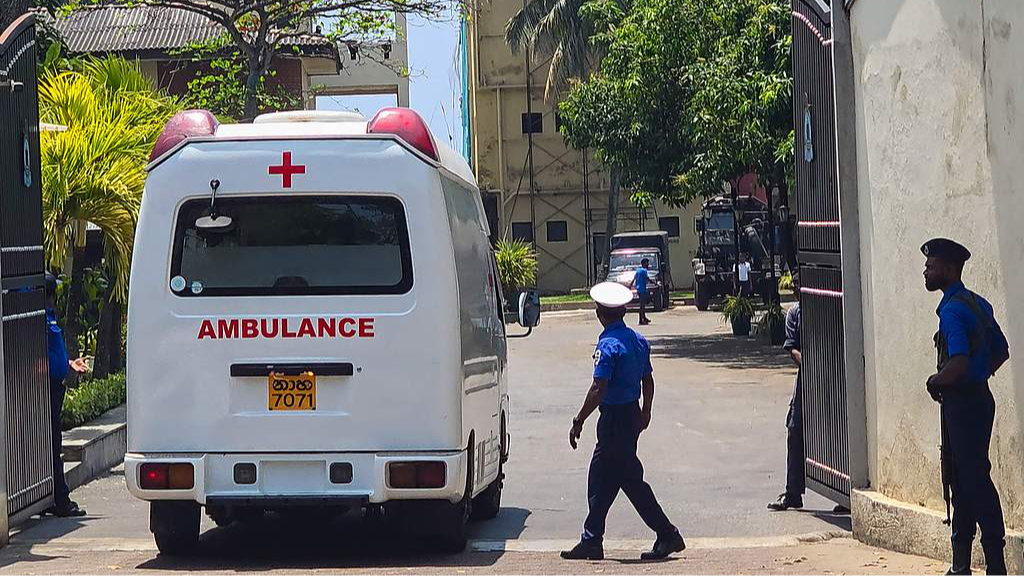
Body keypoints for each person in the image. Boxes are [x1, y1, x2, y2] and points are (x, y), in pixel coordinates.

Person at [561, 282, 685, 562]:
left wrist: (578, 419)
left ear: (598, 313)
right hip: (630, 415)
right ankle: (592, 538)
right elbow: (648, 379)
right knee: (603, 477)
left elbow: (598, 388)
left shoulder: (608, 345)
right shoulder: (638, 341)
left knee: (626, 480)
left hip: (614, 420)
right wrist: (646, 411)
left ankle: (667, 533)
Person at [922, 239, 1009, 576]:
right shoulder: (976, 303)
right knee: (964, 479)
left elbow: (956, 362)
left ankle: (992, 565)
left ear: (948, 269)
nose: (926, 272)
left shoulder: (953, 311)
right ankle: (961, 564)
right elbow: (1000, 351)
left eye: (931, 266)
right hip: (977, 398)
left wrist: (937, 380)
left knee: (973, 481)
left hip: (963, 403)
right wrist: (979, 374)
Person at [44, 272, 88, 518]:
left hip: (55, 385)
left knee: (52, 443)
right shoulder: (38, 319)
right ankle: (60, 499)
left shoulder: (49, 317)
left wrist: (68, 362)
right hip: (45, 390)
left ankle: (53, 496)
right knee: (51, 444)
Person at [767, 271, 804, 512]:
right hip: (807, 378)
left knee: (835, 430)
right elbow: (792, 348)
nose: (797, 290)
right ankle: (793, 492)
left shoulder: (830, 307)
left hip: (833, 377)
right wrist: (810, 366)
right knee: (795, 430)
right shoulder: (794, 313)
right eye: (796, 286)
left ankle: (843, 495)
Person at [629, 258, 652, 326]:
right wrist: (654, 283)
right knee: (642, 306)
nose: (648, 264)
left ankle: (644, 318)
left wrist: (630, 285)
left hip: (638, 289)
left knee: (642, 305)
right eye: (647, 263)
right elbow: (647, 279)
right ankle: (641, 320)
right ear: (644, 264)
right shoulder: (644, 271)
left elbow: (634, 278)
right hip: (642, 290)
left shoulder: (638, 270)